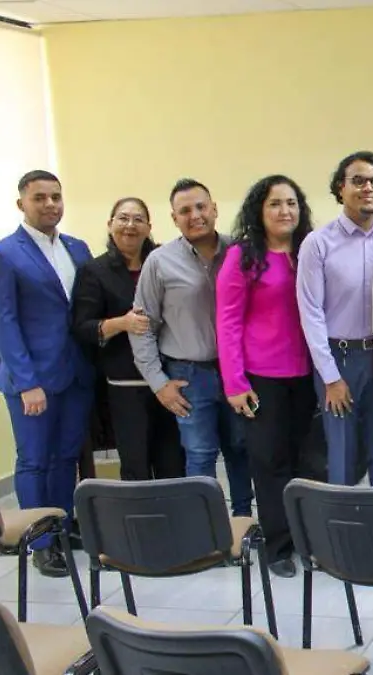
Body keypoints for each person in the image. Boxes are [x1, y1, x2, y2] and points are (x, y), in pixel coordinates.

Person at [130, 178, 253, 517]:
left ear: (214, 209)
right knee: (199, 454)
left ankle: (243, 522)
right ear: (174, 218)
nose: (195, 215)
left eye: (201, 207)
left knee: (241, 450)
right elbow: (142, 328)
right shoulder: (159, 262)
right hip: (188, 374)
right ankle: (206, 528)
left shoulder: (240, 253)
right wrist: (158, 383)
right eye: (185, 211)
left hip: (238, 373)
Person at [216, 175, 316, 578]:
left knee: (304, 462)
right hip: (261, 379)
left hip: (306, 376)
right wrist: (235, 383)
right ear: (259, 209)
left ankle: (307, 539)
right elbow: (227, 323)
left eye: (292, 203)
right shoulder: (244, 256)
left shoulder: (309, 251)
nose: (285, 211)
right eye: (275, 203)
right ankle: (277, 546)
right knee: (270, 463)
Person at [0, 169, 94, 577]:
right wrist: (27, 382)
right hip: (32, 380)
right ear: (22, 203)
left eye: (56, 196)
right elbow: (5, 321)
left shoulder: (77, 248)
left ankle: (62, 525)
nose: (50, 204)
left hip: (75, 375)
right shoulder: (6, 253)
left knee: (65, 458)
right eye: (40, 198)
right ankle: (39, 542)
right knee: (35, 460)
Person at [297, 151, 373, 486]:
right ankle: (340, 531)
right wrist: (330, 376)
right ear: (341, 188)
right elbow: (310, 313)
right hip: (338, 358)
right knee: (340, 450)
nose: (368, 187)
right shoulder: (318, 243)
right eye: (358, 181)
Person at [72, 197, 184, 483]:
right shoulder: (93, 271)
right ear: (110, 225)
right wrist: (122, 323)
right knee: (136, 466)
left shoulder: (164, 261)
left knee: (174, 462)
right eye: (123, 218)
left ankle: (176, 525)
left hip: (171, 382)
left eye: (138, 219)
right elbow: (82, 327)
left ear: (149, 227)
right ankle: (141, 527)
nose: (130, 225)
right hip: (126, 386)